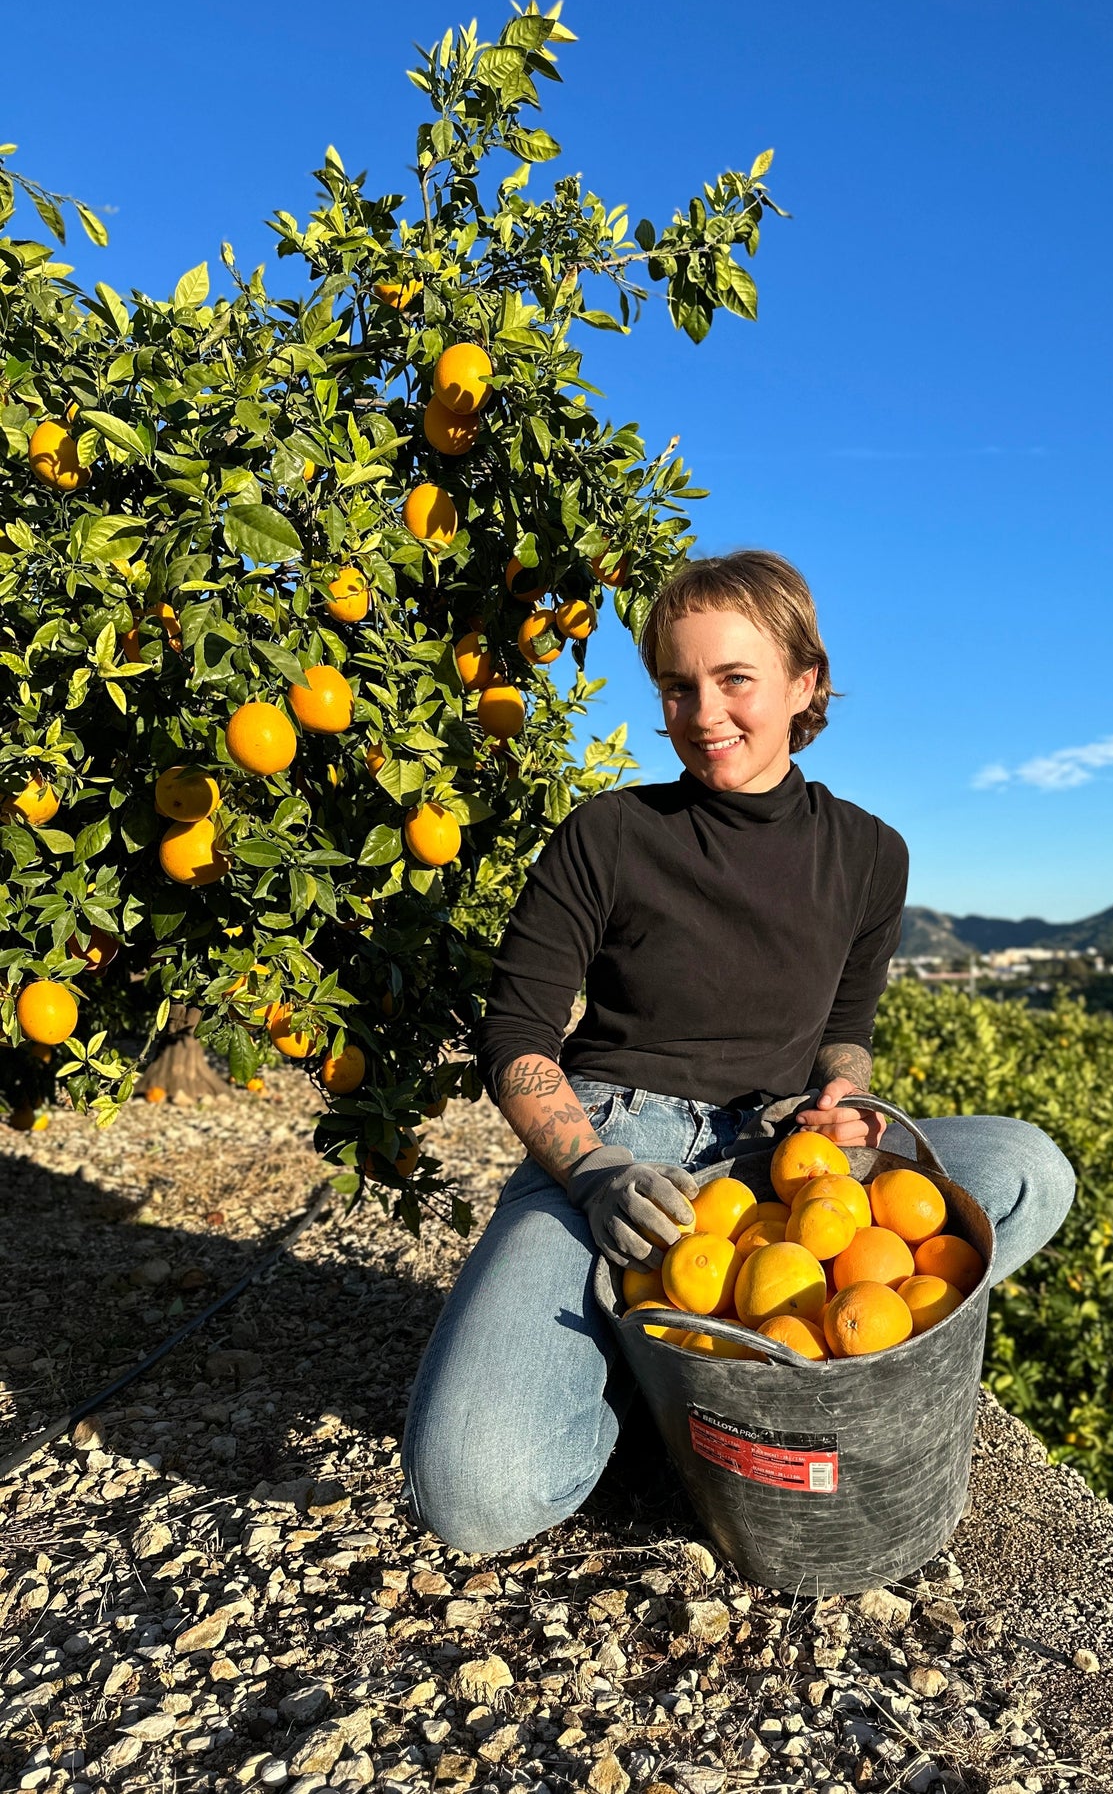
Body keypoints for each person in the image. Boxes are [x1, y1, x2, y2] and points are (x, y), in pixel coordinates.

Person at [402, 550, 1075, 1553]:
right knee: (475, 1495)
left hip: (776, 1160)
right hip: (617, 1156)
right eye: (677, 686)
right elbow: (517, 1033)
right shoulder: (607, 835)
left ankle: (692, 1361)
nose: (702, 713)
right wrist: (590, 1173)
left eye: (733, 680)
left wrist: (843, 1095)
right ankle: (671, 1374)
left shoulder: (869, 855)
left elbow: (847, 1026)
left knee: (1025, 1172)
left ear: (803, 684)